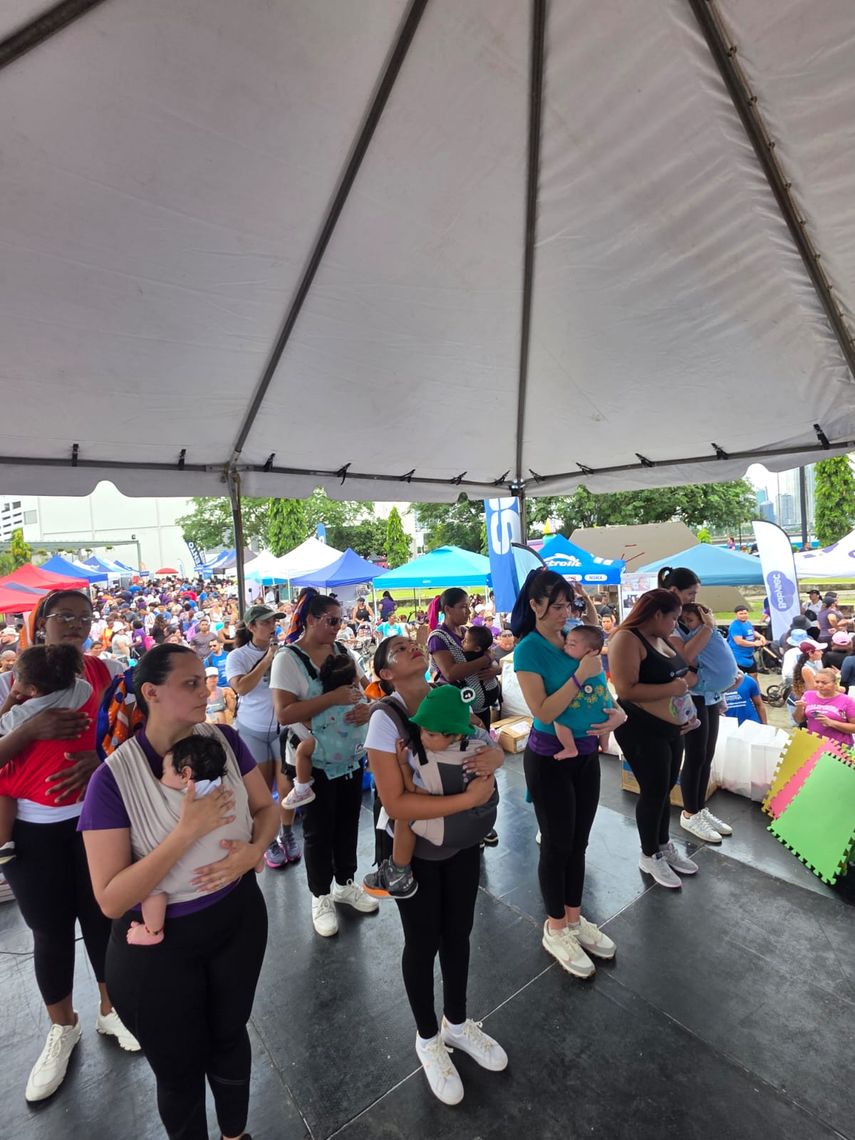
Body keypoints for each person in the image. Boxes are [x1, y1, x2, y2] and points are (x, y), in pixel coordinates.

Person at [80, 644, 278, 1140]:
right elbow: (110, 899)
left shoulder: (225, 740)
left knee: (231, 1038)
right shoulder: (112, 780)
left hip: (236, 918)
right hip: (159, 950)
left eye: (204, 679)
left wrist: (255, 851)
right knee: (179, 1070)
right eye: (190, 683)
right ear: (151, 693)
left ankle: (235, 1134)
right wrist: (186, 832)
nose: (206, 690)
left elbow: (267, 809)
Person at [0, 589, 140, 1104]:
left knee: (105, 919)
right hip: (32, 833)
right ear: (40, 624)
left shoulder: (105, 673)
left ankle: (111, 1011)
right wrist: (29, 728)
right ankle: (63, 1028)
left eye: (85, 617)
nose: (77, 624)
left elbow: (134, 735)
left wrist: (102, 762)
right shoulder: (9, 684)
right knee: (51, 933)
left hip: (97, 821)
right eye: (65, 616)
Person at [365, 635, 507, 1105]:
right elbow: (394, 801)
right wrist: (468, 799)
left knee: (459, 932)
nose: (411, 648)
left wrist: (496, 755)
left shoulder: (445, 696)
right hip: (418, 844)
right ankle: (428, 1038)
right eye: (399, 650)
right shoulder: (384, 721)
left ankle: (459, 1023)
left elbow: (482, 740)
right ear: (385, 674)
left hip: (461, 839)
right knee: (423, 941)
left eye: (412, 644)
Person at [512, 569, 624, 974]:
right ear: (535, 605)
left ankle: (575, 918)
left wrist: (617, 712)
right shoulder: (528, 650)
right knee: (557, 844)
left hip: (586, 756)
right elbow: (542, 711)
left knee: (579, 842)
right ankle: (555, 926)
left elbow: (600, 692)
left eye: (569, 605)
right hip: (549, 760)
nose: (565, 613)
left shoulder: (574, 640)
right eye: (556, 606)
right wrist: (580, 675)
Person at [271, 590, 378, 936]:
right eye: (332, 621)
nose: (337, 627)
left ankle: (345, 883)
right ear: (311, 620)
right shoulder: (288, 659)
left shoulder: (343, 651)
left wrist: (367, 707)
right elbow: (284, 712)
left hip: (348, 753)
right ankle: (320, 895)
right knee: (318, 830)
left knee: (348, 821)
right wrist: (332, 698)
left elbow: (367, 690)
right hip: (311, 757)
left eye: (340, 621)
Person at [364, 684, 498, 899]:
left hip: (442, 831)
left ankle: (399, 871)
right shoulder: (478, 744)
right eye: (422, 731)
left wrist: (403, 765)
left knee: (405, 816)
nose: (422, 738)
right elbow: (488, 739)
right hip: (478, 825)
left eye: (431, 734)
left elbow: (414, 791)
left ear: (454, 735)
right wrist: (497, 757)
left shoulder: (434, 762)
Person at [609, 589, 701, 889]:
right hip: (639, 727)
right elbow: (626, 689)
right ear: (657, 614)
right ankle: (649, 854)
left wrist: (683, 710)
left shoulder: (661, 638)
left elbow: (681, 676)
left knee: (664, 790)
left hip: (671, 728)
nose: (675, 624)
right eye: (673, 617)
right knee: (653, 791)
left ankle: (662, 845)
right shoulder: (626, 639)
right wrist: (674, 690)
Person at [126, 732, 250, 947]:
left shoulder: (183, 801)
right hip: (235, 856)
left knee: (152, 886)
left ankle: (152, 930)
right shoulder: (228, 788)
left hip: (196, 876)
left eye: (163, 772)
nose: (159, 779)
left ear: (185, 774)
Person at [0, 644, 93, 864]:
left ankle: (3, 842)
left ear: (31, 689)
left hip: (44, 799)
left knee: (2, 787)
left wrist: (12, 700)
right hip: (77, 788)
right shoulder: (83, 689)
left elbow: (1, 725)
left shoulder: (25, 712)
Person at [661, 568, 735, 843]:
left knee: (706, 754)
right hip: (691, 695)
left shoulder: (689, 616)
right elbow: (685, 655)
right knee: (694, 755)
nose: (693, 598)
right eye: (690, 592)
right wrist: (707, 627)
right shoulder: (671, 622)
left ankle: (699, 808)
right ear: (674, 592)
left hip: (710, 694)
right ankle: (690, 813)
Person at [226, 605, 300, 869]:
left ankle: (288, 834)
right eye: (266, 622)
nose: (272, 626)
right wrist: (268, 660)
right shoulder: (238, 656)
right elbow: (242, 688)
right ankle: (268, 841)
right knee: (262, 792)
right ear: (252, 627)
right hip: (252, 729)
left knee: (286, 787)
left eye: (274, 622)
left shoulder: (284, 652)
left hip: (281, 729)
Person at [282, 649, 368, 811]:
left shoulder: (327, 707)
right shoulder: (360, 698)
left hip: (330, 752)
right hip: (357, 750)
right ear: (354, 680)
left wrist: (299, 712)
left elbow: (310, 723)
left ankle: (302, 787)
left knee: (302, 750)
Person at [427, 588, 500, 728]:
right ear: (448, 609)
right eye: (463, 607)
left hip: (482, 707)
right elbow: (450, 673)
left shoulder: (467, 632)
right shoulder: (438, 638)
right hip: (460, 709)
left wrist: (495, 670)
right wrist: (485, 660)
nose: (468, 611)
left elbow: (492, 657)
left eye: (468, 606)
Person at [546, 625, 615, 760]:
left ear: (590, 652)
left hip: (582, 714)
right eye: (566, 643)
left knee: (558, 719)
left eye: (571, 645)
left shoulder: (574, 665)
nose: (565, 647)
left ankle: (570, 748)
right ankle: (604, 744)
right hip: (604, 713)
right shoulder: (598, 664)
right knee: (606, 722)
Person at [680, 604, 741, 694]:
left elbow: (686, 656)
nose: (686, 624)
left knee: (676, 683)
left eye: (689, 620)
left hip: (712, 679)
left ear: (703, 619)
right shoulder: (715, 633)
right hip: (731, 678)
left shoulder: (700, 632)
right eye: (683, 621)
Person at [793, 670, 855, 744]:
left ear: (835, 683)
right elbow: (798, 720)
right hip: (813, 744)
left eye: (824, 683)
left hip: (838, 746)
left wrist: (831, 723)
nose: (820, 685)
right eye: (817, 682)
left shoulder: (847, 700)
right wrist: (799, 708)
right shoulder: (808, 695)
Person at [461, 625, 501, 721]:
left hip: (481, 698)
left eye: (465, 641)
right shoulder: (486, 653)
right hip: (491, 694)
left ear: (477, 649)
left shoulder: (467, 657)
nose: (461, 642)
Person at [727, 605, 766, 674]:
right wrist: (754, 643)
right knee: (740, 678)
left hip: (749, 654)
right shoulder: (735, 626)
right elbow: (739, 641)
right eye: (741, 614)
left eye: (745, 613)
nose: (743, 615)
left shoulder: (748, 623)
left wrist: (761, 637)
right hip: (738, 656)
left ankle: (755, 685)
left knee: (754, 674)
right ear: (736, 614)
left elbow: (752, 631)